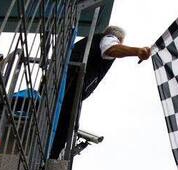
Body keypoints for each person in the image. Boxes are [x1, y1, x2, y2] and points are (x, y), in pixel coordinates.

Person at [49, 25, 150, 159]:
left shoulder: (88, 42)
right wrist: (137, 51)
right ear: (119, 39)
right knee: (64, 127)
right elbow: (110, 49)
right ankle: (49, 158)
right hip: (71, 86)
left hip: (61, 84)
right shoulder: (109, 38)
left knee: (58, 124)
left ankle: (48, 156)